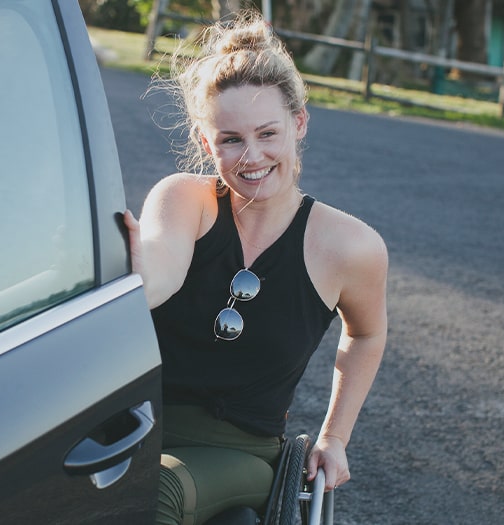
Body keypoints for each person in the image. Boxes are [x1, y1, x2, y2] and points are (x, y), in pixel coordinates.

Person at [123, 10, 388, 525]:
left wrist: (335, 437)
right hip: (133, 423)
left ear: (299, 123)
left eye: (268, 133)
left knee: (157, 491)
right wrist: (135, 274)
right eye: (230, 140)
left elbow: (367, 334)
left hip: (241, 452)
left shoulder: (350, 246)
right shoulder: (184, 199)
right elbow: (161, 270)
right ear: (206, 142)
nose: (252, 157)